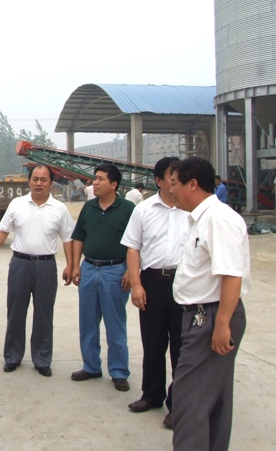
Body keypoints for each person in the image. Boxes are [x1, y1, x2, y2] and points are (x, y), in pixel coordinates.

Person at [169, 157, 249, 451]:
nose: (171, 190)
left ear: (192, 184)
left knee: (189, 401)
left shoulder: (218, 219)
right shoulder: (200, 219)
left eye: (175, 184)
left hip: (212, 316)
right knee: (213, 401)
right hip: (205, 315)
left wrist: (222, 324)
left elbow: (231, 275)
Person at [120, 157, 188, 428]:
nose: (176, 183)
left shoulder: (192, 210)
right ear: (159, 180)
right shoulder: (144, 210)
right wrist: (137, 284)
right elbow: (133, 248)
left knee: (182, 346)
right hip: (152, 282)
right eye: (172, 177)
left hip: (184, 283)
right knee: (153, 343)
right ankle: (151, 395)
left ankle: (178, 404)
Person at [0, 165, 73, 377]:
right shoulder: (17, 204)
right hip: (20, 264)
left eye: (43, 180)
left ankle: (42, 359)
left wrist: (71, 265)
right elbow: (2, 232)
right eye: (35, 179)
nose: (39, 183)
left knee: (44, 314)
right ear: (29, 181)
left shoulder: (60, 209)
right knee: (15, 312)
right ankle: (12, 356)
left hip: (46, 266)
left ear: (51, 183)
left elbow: (68, 239)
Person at [70, 164, 135, 392]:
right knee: (87, 322)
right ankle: (91, 366)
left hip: (115, 271)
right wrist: (75, 266)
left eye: (100, 179)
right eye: (94, 179)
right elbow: (79, 237)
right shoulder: (89, 207)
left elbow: (136, 244)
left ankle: (119, 371)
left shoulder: (128, 209)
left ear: (114, 184)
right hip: (89, 269)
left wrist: (130, 271)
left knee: (115, 323)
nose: (95, 183)